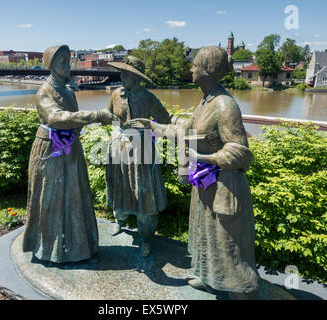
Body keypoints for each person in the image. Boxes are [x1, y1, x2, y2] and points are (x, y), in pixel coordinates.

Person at [128, 46, 260, 299]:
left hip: (224, 185)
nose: (191, 69)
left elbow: (240, 151)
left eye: (195, 65)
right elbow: (185, 128)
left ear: (208, 70)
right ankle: (211, 279)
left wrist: (204, 157)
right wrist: (152, 125)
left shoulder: (224, 105)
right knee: (206, 235)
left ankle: (240, 293)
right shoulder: (206, 100)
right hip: (206, 182)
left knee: (226, 243)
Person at [22, 45, 119, 263]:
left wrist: (79, 128)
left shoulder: (68, 91)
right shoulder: (43, 92)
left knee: (74, 196)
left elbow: (74, 119)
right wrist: (96, 115)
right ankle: (49, 249)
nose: (68, 66)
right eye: (62, 62)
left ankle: (77, 246)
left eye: (68, 61)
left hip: (70, 148)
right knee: (52, 198)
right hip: (50, 150)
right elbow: (55, 117)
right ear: (51, 66)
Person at [106, 56, 176, 257]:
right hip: (119, 149)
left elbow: (165, 121)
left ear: (137, 78)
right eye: (122, 72)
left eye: (126, 73)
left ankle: (146, 236)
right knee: (120, 189)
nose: (122, 76)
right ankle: (119, 221)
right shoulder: (116, 95)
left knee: (144, 195)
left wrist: (151, 127)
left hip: (142, 151)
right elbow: (109, 116)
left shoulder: (149, 98)